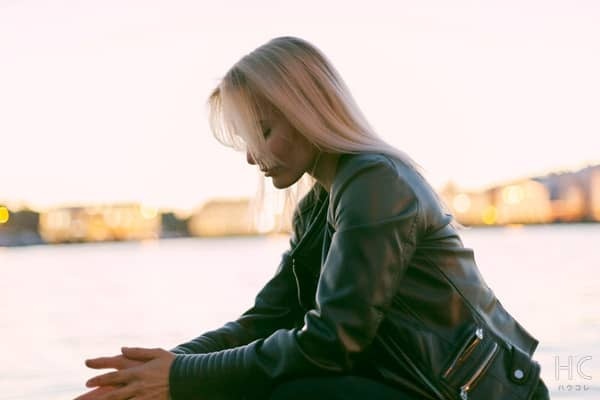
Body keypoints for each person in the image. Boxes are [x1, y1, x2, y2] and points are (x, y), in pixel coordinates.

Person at [76, 36, 550, 400]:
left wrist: (180, 378)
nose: (252, 156)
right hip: (414, 386)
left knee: (288, 393)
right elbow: (267, 319)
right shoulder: (320, 205)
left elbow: (331, 342)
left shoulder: (376, 183)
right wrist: (159, 368)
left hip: (481, 394)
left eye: (263, 131)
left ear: (306, 112)